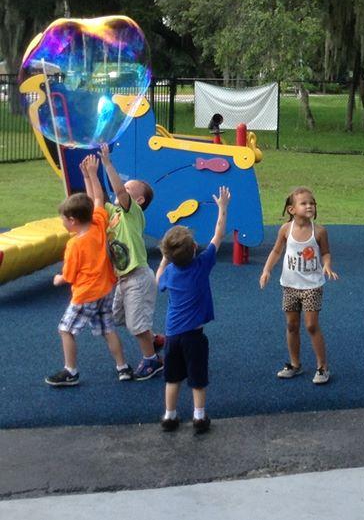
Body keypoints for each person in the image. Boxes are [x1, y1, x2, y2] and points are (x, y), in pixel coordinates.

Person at [45, 155, 130, 386]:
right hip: (106, 290)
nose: (62, 222)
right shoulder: (98, 224)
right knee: (108, 329)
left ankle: (70, 371)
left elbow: (69, 276)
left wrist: (58, 278)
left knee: (66, 330)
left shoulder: (74, 245)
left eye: (63, 219)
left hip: (87, 294)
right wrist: (90, 175)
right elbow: (98, 199)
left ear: (72, 220)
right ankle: (123, 367)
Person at [156, 185, 230, 434]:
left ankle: (169, 415)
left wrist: (164, 259)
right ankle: (199, 416)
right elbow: (218, 234)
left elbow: (158, 280)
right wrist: (222, 208)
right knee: (197, 378)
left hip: (172, 336)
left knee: (172, 378)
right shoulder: (201, 264)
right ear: (195, 247)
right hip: (194, 337)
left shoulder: (169, 272)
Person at [95, 143, 162, 380]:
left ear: (139, 200)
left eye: (128, 188)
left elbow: (119, 193)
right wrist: (90, 175)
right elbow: (97, 198)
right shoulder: (113, 213)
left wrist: (107, 163)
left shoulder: (132, 213)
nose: (122, 189)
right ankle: (153, 339)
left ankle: (152, 360)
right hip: (123, 279)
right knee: (119, 317)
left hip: (137, 277)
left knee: (136, 325)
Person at [259, 187, 339, 384]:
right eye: (304, 203)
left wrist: (327, 265)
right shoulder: (286, 229)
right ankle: (295, 364)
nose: (309, 206)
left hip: (312, 286)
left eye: (312, 203)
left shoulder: (319, 231)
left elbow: (326, 252)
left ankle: (322, 367)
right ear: (291, 209)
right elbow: (276, 251)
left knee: (311, 325)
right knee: (292, 325)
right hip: (289, 285)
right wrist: (267, 270)